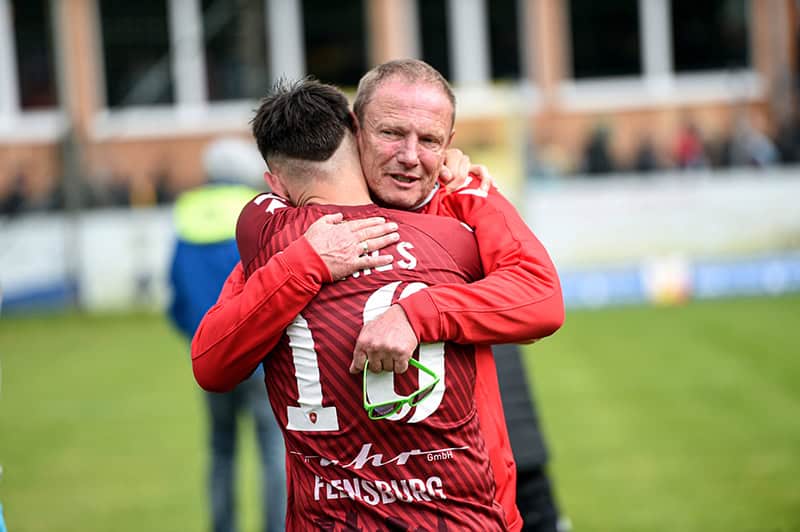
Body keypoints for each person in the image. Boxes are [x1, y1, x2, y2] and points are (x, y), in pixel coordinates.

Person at [192, 60, 565, 531]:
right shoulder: (289, 240)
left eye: (429, 141)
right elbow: (212, 359)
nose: (411, 156)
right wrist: (308, 262)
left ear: (449, 147)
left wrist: (417, 313)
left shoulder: (455, 213)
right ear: (354, 131)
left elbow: (542, 297)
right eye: (392, 133)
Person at [167, 137, 287, 532]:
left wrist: (197, 337)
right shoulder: (259, 214)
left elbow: (177, 294)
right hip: (262, 361)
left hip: (211, 359)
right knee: (273, 450)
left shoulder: (187, 216)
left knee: (221, 450)